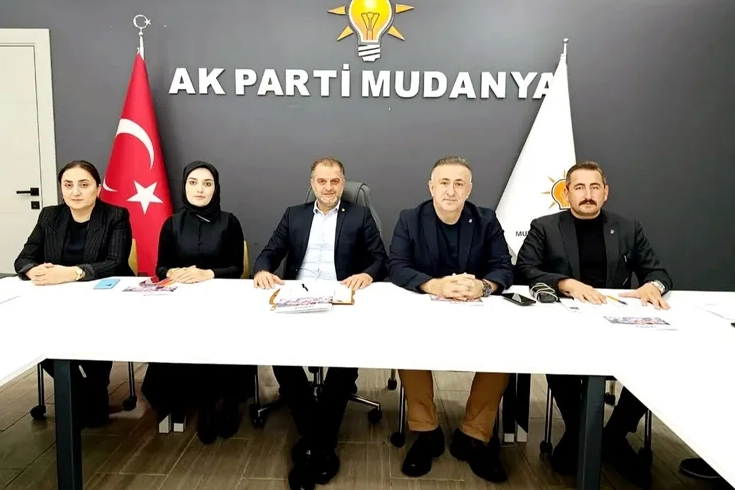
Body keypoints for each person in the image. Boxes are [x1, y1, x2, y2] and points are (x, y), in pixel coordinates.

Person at [516, 160, 673, 487]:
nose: (587, 194)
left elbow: (658, 272)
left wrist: (652, 286)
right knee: (556, 355)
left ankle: (612, 436)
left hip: (617, 323)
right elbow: (525, 269)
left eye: (594, 187)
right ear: (566, 193)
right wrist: (565, 283)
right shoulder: (545, 227)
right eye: (579, 187)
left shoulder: (628, 228)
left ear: (605, 192)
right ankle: (581, 432)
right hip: (567, 324)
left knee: (653, 359)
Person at [252, 157, 388, 490]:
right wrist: (262, 269)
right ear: (312, 183)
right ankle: (321, 439)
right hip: (297, 295)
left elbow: (380, 258)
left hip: (341, 296)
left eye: (335, 181)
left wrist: (368, 274)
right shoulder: (293, 214)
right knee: (280, 354)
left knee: (345, 358)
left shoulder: (360, 215)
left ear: (343, 183)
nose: (328, 187)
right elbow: (270, 251)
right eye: (322, 181)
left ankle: (313, 443)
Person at [387, 156, 513, 483]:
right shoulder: (410, 218)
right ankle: (426, 432)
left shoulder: (486, 220)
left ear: (469, 190)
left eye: (459, 184)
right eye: (444, 183)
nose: (451, 191)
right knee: (407, 346)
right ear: (431, 187)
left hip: (476, 310)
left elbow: (503, 266)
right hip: (426, 310)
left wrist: (484, 286)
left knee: (503, 351)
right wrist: (434, 285)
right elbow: (396, 265)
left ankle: (474, 435)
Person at [14, 159, 134, 427]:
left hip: (104, 301)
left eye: (84, 184)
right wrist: (32, 270)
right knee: (37, 333)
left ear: (98, 189)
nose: (75, 192)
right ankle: (79, 389)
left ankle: (95, 386)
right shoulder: (49, 216)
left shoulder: (115, 216)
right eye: (68, 185)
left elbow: (115, 262)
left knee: (95, 332)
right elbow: (24, 258)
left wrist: (72, 273)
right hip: (56, 300)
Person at [140, 161, 252, 445]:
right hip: (183, 303)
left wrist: (207, 273)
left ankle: (227, 403)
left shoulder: (229, 221)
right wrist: (174, 271)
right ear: (184, 186)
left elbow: (237, 268)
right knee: (180, 337)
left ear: (216, 188)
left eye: (207, 183)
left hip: (221, 303)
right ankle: (201, 405)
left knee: (220, 337)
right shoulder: (172, 223)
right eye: (193, 182)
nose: (200, 189)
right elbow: (161, 267)